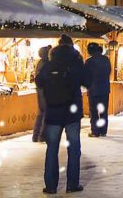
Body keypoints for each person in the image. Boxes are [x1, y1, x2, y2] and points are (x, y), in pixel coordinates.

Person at [37, 37, 88, 194]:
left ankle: (51, 186)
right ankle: (72, 185)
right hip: (72, 113)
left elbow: (39, 81)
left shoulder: (49, 64)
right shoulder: (76, 62)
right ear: (72, 46)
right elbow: (88, 82)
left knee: (52, 149)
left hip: (53, 112)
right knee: (73, 149)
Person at [84, 43, 112, 137]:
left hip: (93, 89)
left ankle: (95, 131)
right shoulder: (106, 59)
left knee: (94, 111)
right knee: (103, 111)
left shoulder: (89, 61)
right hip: (105, 89)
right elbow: (109, 72)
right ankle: (103, 131)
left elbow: (86, 76)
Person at [33, 45, 52, 143]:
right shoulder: (46, 64)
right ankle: (42, 136)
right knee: (46, 113)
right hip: (45, 90)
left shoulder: (40, 63)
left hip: (40, 90)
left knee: (41, 113)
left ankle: (36, 135)